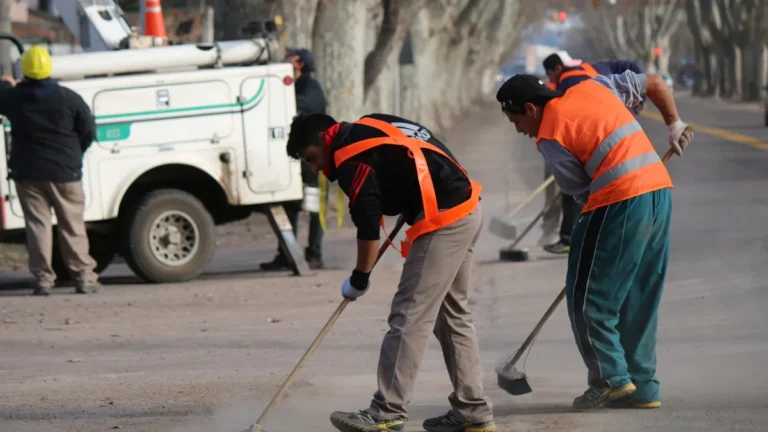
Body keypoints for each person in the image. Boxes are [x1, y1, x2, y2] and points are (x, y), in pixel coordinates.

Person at [285, 112, 495, 432]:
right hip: (467, 206)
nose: (314, 168)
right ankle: (473, 410)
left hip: (443, 220)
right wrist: (411, 197)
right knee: (452, 315)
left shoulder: (350, 160)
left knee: (409, 315)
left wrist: (359, 278)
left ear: (324, 138)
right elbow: (421, 150)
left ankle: (387, 411)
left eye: (311, 158)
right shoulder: (374, 123)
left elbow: (368, 226)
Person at [496, 71, 693, 410]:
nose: (519, 131)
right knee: (638, 295)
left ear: (530, 109)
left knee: (587, 298)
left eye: (516, 121)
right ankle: (643, 387)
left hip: (618, 201)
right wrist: (673, 124)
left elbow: (581, 193)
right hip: (658, 192)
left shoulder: (550, 135)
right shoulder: (594, 86)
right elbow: (656, 82)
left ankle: (610, 380)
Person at [0, 46, 102, 296]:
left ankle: (43, 279)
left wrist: (5, 83)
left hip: (29, 173)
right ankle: (84, 277)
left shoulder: (14, 98)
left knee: (38, 226)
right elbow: (88, 130)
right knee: (72, 226)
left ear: (23, 69)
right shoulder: (68, 97)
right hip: (65, 172)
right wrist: (73, 153)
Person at [539, 53, 646, 255]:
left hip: (606, 141)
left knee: (576, 190)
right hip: (627, 131)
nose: (551, 79)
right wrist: (641, 99)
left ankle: (572, 239)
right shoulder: (592, 66)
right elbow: (629, 64)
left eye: (549, 74)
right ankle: (595, 238)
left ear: (557, 69)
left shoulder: (566, 85)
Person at [260, 48, 328, 271]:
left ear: (299, 63)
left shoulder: (310, 87)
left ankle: (314, 254)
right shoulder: (290, 85)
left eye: (290, 56)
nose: (285, 58)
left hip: (313, 161)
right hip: (294, 158)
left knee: (314, 205)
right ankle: (287, 254)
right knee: (289, 206)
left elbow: (300, 106)